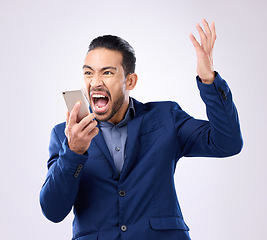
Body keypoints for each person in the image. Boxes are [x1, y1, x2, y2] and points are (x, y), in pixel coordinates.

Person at [40, 19, 243, 240]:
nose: (95, 82)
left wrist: (208, 79)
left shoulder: (167, 117)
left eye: (107, 73)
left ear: (130, 81)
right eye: (88, 73)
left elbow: (227, 142)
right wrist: (73, 152)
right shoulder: (64, 135)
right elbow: (53, 211)